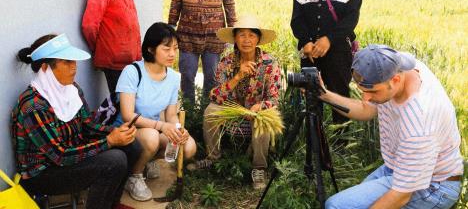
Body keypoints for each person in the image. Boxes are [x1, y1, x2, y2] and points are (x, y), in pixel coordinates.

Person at [319, 44, 463, 209]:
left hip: (434, 186)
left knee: (336, 206)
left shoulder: (419, 124)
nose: (366, 98)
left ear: (395, 80)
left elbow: (401, 196)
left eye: (373, 92)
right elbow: (366, 110)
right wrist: (323, 94)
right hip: (400, 167)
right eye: (363, 90)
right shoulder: (395, 65)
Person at [12, 34, 141, 209]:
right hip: (43, 174)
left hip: (69, 156)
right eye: (67, 62)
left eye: (74, 62)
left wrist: (115, 132)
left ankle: (111, 204)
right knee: (114, 160)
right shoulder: (33, 106)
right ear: (45, 68)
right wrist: (109, 141)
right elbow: (60, 155)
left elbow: (87, 125)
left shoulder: (72, 89)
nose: (74, 68)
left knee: (132, 146)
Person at [114, 23, 197, 201]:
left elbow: (171, 114)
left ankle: (147, 160)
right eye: (166, 49)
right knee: (152, 137)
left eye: (175, 48)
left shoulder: (174, 77)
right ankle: (134, 176)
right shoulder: (133, 72)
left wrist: (177, 129)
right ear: (151, 49)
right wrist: (162, 126)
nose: (172, 54)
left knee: (188, 147)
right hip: (124, 131)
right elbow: (128, 115)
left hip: (150, 128)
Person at [199, 15, 281, 190]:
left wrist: (260, 107)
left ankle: (259, 167)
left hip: (255, 112)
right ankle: (213, 158)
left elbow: (274, 98)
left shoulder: (269, 63)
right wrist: (237, 77)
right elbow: (215, 97)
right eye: (242, 35)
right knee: (210, 110)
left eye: (251, 35)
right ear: (235, 38)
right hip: (232, 112)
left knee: (264, 117)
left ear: (258, 39)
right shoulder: (226, 62)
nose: (246, 40)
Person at [291, 0, 362, 126]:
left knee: (339, 93)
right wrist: (305, 41)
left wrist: (329, 39)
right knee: (312, 94)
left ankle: (341, 140)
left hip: (337, 50)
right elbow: (297, 19)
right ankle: (315, 139)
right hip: (309, 52)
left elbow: (351, 19)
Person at [82, 0, 145, 93]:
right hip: (115, 62)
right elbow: (89, 25)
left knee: (130, 104)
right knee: (122, 106)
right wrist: (102, 49)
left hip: (129, 60)